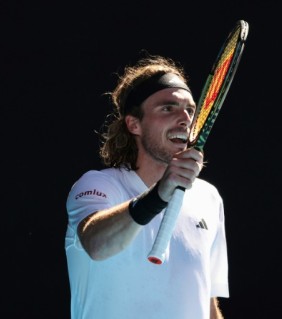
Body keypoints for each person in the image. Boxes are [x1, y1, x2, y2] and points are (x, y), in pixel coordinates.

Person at [64, 54, 229, 319]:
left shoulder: (209, 198)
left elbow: (206, 305)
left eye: (189, 110)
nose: (185, 118)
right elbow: (96, 244)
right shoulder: (99, 184)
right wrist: (160, 194)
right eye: (168, 108)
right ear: (134, 123)